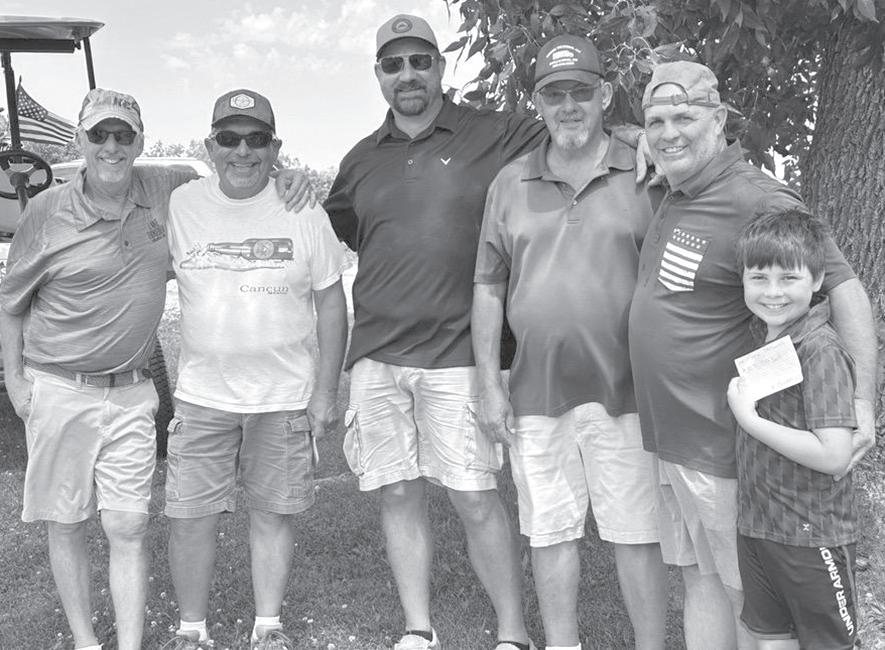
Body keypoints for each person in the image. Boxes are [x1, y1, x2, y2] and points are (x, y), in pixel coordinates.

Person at [0, 87, 311, 650]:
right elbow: (11, 301)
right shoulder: (46, 211)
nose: (111, 146)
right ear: (80, 140)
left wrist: (285, 174)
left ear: (140, 141)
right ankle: (86, 642)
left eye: (123, 135)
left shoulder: (168, 189)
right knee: (66, 523)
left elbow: (239, 167)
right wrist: (18, 384)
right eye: (99, 134)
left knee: (127, 524)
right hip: (58, 386)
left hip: (132, 392)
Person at [628, 61, 877, 649]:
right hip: (672, 437)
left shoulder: (757, 197)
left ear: (719, 119)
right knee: (699, 577)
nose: (669, 133)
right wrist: (641, 136)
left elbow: (844, 288)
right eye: (656, 122)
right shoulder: (678, 186)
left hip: (725, 441)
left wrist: (862, 402)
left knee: (749, 600)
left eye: (684, 117)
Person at [323, 13, 552, 650]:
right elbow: (345, 229)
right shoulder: (359, 160)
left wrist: (635, 140)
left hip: (459, 353)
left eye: (420, 61)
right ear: (378, 75)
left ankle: (512, 633)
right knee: (397, 492)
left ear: (440, 66)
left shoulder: (494, 132)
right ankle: (418, 629)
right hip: (376, 354)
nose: (408, 75)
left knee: (474, 496)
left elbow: (573, 131)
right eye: (393, 64)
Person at [472, 34, 668, 650]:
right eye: (554, 95)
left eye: (580, 92)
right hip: (536, 389)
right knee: (549, 533)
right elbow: (488, 287)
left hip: (628, 389)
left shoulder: (647, 171)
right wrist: (488, 384)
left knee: (637, 534)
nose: (568, 107)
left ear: (604, 95)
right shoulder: (510, 183)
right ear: (537, 102)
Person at [162, 89, 347, 650]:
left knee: (272, 513)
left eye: (257, 139)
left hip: (283, 395)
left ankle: (268, 626)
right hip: (202, 395)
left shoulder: (304, 210)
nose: (242, 151)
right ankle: (191, 631)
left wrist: (325, 393)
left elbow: (331, 300)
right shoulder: (180, 203)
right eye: (229, 138)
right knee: (190, 517)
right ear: (209, 145)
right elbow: (115, 176)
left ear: (275, 147)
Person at [727, 209, 858, 650]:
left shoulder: (820, 350)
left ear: (817, 279)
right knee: (772, 639)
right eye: (759, 278)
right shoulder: (764, 335)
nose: (772, 292)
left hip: (810, 534)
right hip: (759, 526)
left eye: (788, 278)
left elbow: (834, 455)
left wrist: (750, 420)